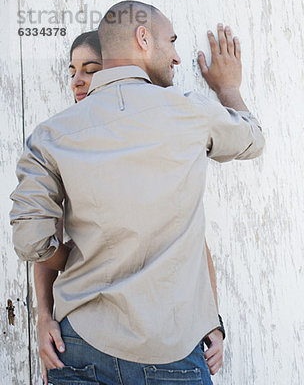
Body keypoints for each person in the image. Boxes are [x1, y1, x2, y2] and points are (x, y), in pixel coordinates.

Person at [11, 0, 264, 385]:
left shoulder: (49, 135)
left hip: (78, 345)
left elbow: (32, 242)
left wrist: (80, 260)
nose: (177, 56)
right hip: (172, 348)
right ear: (143, 38)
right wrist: (228, 87)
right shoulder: (190, 112)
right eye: (172, 41)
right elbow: (252, 140)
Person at [35, 30, 226, 384]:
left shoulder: (157, 134)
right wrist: (44, 317)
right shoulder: (62, 144)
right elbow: (44, 242)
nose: (78, 80)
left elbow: (195, 243)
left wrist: (211, 319)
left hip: (167, 342)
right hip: (81, 339)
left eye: (90, 69)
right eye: (73, 70)